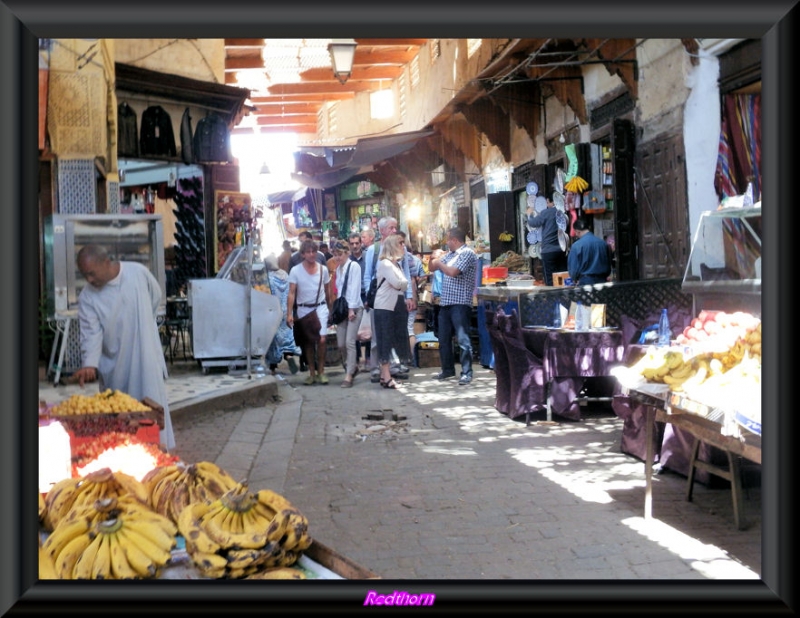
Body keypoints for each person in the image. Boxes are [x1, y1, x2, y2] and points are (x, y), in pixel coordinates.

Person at [73, 245, 175, 450]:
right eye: (85, 275)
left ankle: (159, 454)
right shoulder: (87, 297)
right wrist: (90, 364)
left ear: (106, 262)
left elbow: (155, 297)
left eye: (92, 273)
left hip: (145, 353)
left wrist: (144, 324)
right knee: (119, 412)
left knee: (152, 406)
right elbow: (91, 333)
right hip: (115, 363)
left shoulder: (137, 273)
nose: (90, 280)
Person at [362, 216, 416, 382]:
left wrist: (408, 296)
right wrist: (368, 296)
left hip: (396, 300)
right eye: (391, 228)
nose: (394, 231)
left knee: (395, 332)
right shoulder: (374, 250)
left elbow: (405, 274)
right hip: (381, 299)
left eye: (395, 227)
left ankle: (393, 366)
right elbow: (368, 276)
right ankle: (377, 368)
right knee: (379, 336)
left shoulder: (402, 251)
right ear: (382, 230)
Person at [428, 228, 479, 386]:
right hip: (446, 303)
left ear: (455, 240)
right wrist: (433, 260)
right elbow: (431, 268)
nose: (446, 243)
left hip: (460, 302)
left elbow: (453, 272)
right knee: (443, 338)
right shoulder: (449, 255)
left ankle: (466, 372)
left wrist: (439, 263)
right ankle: (447, 369)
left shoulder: (467, 254)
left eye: (448, 240)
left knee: (463, 339)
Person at [287, 239, 332, 385]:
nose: (311, 255)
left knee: (322, 339)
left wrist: (330, 309)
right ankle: (312, 373)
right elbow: (291, 293)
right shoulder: (295, 271)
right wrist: (289, 313)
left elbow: (327, 290)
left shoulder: (322, 269)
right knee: (308, 342)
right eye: (308, 252)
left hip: (320, 307)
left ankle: (321, 371)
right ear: (302, 254)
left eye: (313, 252)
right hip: (303, 308)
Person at [373, 234, 412, 390]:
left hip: (393, 307)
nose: (403, 246)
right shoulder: (386, 264)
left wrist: (403, 284)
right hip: (384, 307)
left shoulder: (397, 265)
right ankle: (387, 376)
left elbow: (403, 284)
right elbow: (399, 284)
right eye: (400, 243)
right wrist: (404, 284)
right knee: (385, 341)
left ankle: (385, 376)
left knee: (389, 341)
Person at [330, 240, 363, 388]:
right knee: (341, 343)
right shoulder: (338, 269)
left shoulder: (353, 266)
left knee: (350, 342)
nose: (337, 257)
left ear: (347, 253)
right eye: (335, 255)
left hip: (354, 308)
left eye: (340, 254)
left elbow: (354, 288)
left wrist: (352, 309)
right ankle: (351, 366)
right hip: (343, 309)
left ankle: (349, 375)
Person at [262, 253, 301, 375]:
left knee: (273, 339)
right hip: (286, 311)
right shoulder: (285, 274)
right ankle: (288, 356)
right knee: (287, 336)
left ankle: (272, 367)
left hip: (273, 312)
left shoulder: (268, 277)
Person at [526, 196, 567, 286]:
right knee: (562, 276)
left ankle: (552, 297)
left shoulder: (546, 212)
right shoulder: (563, 212)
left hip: (548, 250)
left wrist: (529, 215)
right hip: (562, 249)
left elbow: (533, 223)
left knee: (550, 278)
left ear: (549, 201)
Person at [397, 230, 425, 354]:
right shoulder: (414, 259)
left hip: (400, 297)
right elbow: (422, 278)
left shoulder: (394, 260)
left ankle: (404, 358)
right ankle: (411, 358)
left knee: (402, 329)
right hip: (411, 296)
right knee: (409, 329)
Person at [567, 217, 612, 286]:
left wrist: (574, 279)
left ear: (577, 231)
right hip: (602, 281)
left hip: (586, 281)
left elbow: (573, 269)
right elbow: (608, 263)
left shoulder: (576, 246)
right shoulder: (603, 243)